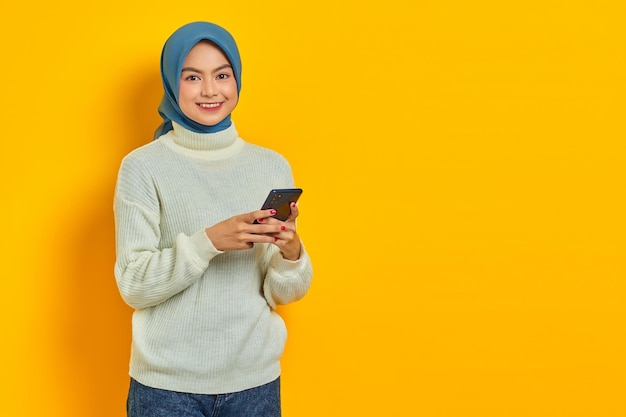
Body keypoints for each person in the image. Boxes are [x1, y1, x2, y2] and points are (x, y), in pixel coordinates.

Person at [113, 21, 313, 417]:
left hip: (254, 384)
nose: (210, 90)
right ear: (172, 83)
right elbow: (133, 285)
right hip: (166, 390)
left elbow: (282, 293)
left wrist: (292, 253)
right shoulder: (142, 167)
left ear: (237, 79)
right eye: (192, 77)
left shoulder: (271, 166)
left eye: (222, 75)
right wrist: (209, 242)